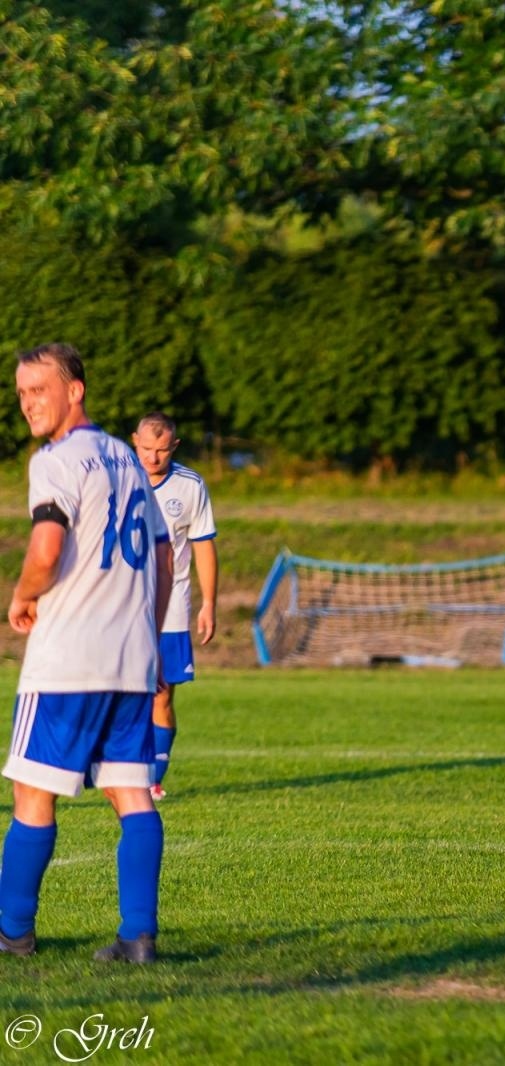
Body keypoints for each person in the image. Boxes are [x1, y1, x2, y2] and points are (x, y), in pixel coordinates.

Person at [0, 343, 173, 964]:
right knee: (131, 793)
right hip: (129, 659)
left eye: (39, 389)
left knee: (32, 794)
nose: (28, 403)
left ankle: (12, 932)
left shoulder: (55, 460)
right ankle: (138, 936)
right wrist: (149, 637)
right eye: (21, 393)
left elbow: (47, 548)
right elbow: (162, 554)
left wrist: (21, 597)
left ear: (75, 390)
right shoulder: (128, 459)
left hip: (68, 657)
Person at [130, 412, 218, 801]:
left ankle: (152, 778)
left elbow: (204, 546)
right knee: (121, 692)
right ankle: (117, 767)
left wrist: (209, 603)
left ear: (174, 447)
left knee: (162, 693)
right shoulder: (115, 479)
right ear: (135, 441)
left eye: (162, 450)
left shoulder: (190, 485)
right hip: (122, 605)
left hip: (172, 605)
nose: (153, 458)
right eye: (147, 449)